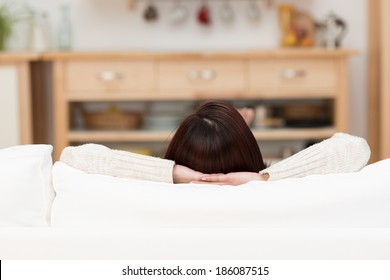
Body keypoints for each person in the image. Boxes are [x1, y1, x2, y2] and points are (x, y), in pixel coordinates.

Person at [60, 101, 371, 185]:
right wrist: (265, 177)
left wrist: (169, 174)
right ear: (247, 150)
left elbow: (74, 156)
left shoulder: (156, 190)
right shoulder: (274, 187)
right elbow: (355, 148)